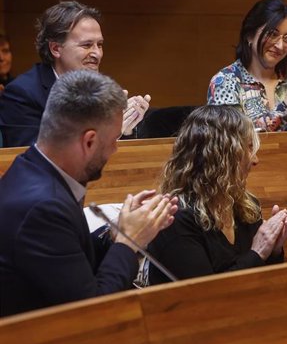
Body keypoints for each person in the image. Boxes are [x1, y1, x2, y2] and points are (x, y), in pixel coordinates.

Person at [0, 70, 177, 317]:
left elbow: (67, 255)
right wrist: (130, 240)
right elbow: (94, 311)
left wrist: (114, 233)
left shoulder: (31, 168)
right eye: (114, 140)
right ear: (89, 141)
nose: (115, 149)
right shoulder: (43, 206)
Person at [146, 105, 287, 284]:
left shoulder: (247, 206)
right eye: (248, 148)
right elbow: (207, 296)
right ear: (222, 156)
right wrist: (258, 252)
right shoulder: (175, 218)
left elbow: (263, 282)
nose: (255, 159)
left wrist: (273, 250)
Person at [0, 1, 151, 148]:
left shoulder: (103, 91)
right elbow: (33, 157)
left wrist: (126, 130)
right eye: (87, 45)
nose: (97, 54)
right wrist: (104, 134)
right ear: (56, 48)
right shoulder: (22, 94)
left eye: (100, 45)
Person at [208, 0, 287, 131]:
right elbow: (232, 142)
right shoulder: (225, 81)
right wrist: (286, 106)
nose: (280, 46)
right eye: (272, 34)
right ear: (250, 35)